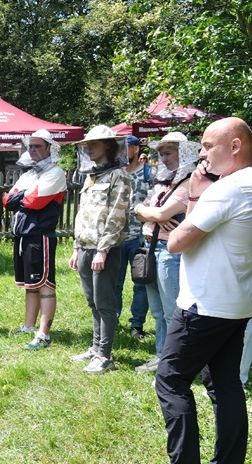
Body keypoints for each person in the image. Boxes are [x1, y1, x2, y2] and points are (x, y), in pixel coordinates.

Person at [129, 117, 252, 464]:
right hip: (238, 301)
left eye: (207, 146)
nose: (200, 154)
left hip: (204, 302)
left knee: (170, 378)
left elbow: (178, 242)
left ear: (234, 146)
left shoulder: (227, 189)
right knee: (226, 385)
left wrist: (197, 191)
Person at [133, 132, 200, 372]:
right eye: (161, 154)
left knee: (173, 311)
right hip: (152, 248)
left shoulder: (189, 182)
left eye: (168, 153)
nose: (164, 158)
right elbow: (139, 209)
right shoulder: (163, 182)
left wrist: (148, 213)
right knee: (158, 310)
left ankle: (176, 363)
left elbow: (158, 214)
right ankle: (162, 357)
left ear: (184, 154)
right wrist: (146, 212)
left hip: (169, 251)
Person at [68, 125, 131, 373]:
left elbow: (117, 215)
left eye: (93, 143)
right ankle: (95, 348)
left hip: (105, 250)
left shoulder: (120, 176)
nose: (88, 148)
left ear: (108, 144)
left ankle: (105, 356)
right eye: (87, 144)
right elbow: (82, 214)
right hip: (85, 247)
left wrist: (103, 250)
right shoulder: (90, 175)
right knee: (92, 302)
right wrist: (76, 247)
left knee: (105, 303)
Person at [3, 130, 67, 350]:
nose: (32, 150)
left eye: (37, 146)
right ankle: (28, 326)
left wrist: (20, 196)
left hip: (41, 235)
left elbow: (35, 201)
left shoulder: (56, 172)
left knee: (45, 284)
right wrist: (21, 196)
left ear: (49, 148)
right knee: (30, 285)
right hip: (24, 235)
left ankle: (44, 333)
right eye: (30, 146)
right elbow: (6, 200)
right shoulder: (29, 173)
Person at [115, 135, 152, 339]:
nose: (121, 152)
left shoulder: (149, 173)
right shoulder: (116, 173)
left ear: (136, 149)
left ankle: (137, 324)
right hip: (117, 237)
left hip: (140, 238)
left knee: (141, 283)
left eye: (126, 148)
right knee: (115, 283)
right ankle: (113, 319)